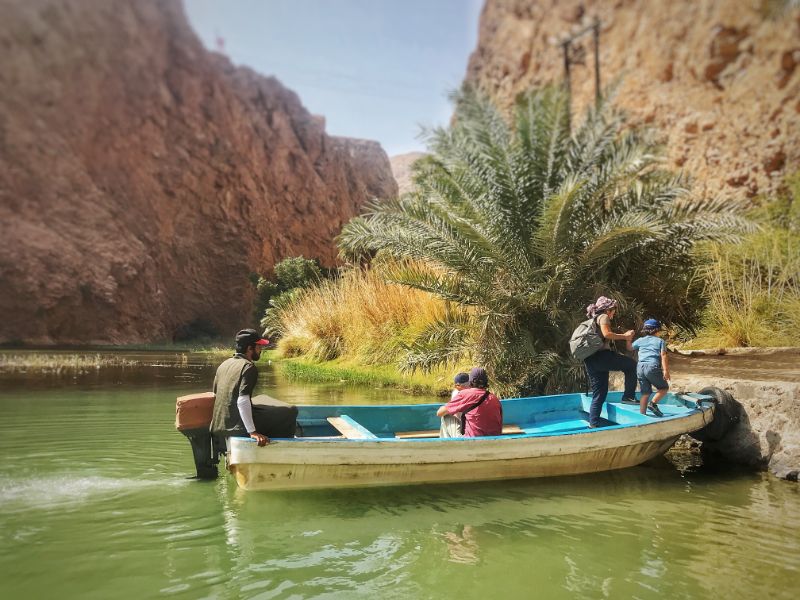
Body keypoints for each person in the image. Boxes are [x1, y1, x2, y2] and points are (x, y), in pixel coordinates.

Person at [210, 329, 270, 451]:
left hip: (217, 427)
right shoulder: (248, 367)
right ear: (250, 348)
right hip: (237, 429)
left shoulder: (224, 365)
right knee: (288, 414)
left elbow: (215, 395)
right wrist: (252, 432)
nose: (261, 350)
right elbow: (242, 401)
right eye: (258, 346)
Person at [582, 296, 637, 428]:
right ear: (608, 309)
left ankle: (593, 424)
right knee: (631, 365)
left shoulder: (593, 319)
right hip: (602, 357)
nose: (614, 313)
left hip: (590, 359)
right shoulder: (603, 317)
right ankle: (628, 397)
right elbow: (607, 334)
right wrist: (625, 336)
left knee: (599, 393)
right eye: (613, 310)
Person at [436, 367, 502, 437]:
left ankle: (446, 445)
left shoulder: (466, 394)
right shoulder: (495, 399)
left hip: (471, 441)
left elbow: (439, 413)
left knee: (446, 417)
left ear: (471, 381)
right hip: (494, 440)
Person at [632, 319, 670, 417]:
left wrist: (628, 339)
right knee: (663, 388)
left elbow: (630, 347)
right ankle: (653, 403)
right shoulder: (660, 341)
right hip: (652, 366)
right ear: (657, 330)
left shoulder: (640, 340)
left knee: (645, 393)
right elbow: (663, 355)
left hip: (640, 368)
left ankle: (642, 415)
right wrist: (666, 370)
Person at [440, 372, 470, 438]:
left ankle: (445, 442)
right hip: (470, 426)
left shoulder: (457, 394)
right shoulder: (477, 393)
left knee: (445, 417)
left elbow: (440, 413)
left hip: (466, 428)